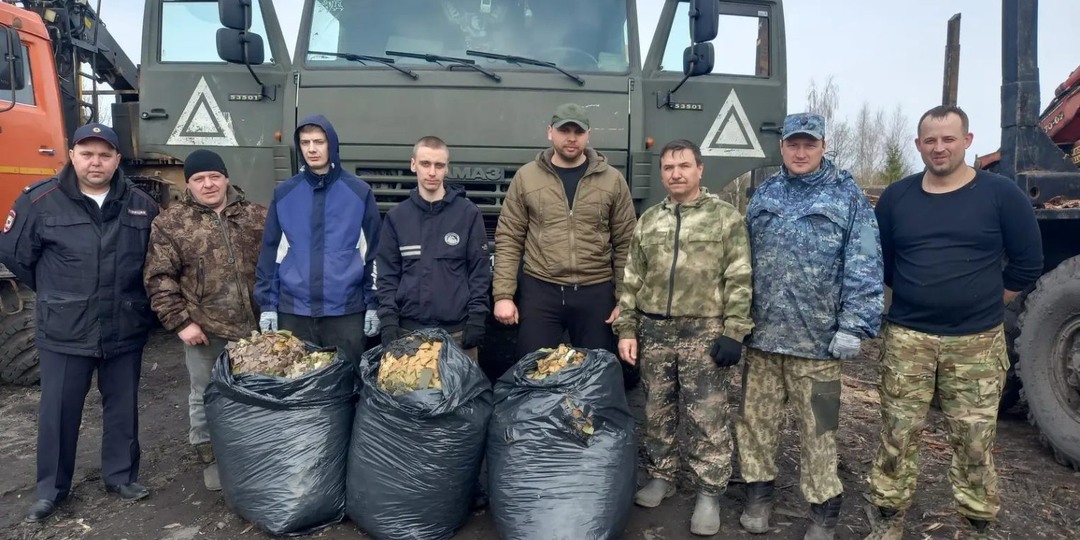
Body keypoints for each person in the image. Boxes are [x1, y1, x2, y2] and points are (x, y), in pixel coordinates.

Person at [865, 105, 1043, 540]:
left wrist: (982, 301)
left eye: (948, 139)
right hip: (908, 339)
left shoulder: (1001, 195)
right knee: (897, 437)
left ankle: (976, 526)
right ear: (918, 145)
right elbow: (884, 262)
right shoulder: (897, 198)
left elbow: (1027, 262)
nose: (939, 148)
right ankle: (887, 524)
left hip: (976, 344)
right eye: (930, 140)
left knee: (975, 443)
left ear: (967, 140)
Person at [0, 123, 160, 522]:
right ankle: (51, 489)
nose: (96, 162)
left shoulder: (141, 204)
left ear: (117, 160)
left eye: (105, 155)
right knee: (58, 410)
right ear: (72, 155)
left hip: (124, 324)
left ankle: (121, 476)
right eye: (87, 153)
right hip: (65, 328)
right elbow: (17, 255)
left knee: (123, 406)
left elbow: (153, 263)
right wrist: (59, 294)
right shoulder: (40, 202)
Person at [737, 112, 884, 540]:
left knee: (820, 430)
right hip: (763, 340)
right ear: (781, 146)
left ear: (823, 146)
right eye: (792, 144)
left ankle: (823, 511)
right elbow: (743, 261)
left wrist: (853, 326)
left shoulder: (848, 196)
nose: (800, 152)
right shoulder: (764, 193)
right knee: (755, 423)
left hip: (820, 346)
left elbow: (866, 263)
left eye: (809, 144)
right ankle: (758, 496)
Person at [612, 139, 752, 537]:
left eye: (684, 165)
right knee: (657, 410)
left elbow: (740, 277)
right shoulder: (650, 220)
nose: (676, 173)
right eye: (669, 167)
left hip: (704, 331)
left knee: (707, 415)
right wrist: (628, 328)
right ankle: (662, 475)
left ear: (700, 169)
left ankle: (709, 492)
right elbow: (631, 280)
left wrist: (734, 332)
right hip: (655, 330)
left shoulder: (726, 218)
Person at [143, 149, 267, 491]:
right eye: (199, 179)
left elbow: (276, 267)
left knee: (256, 394)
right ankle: (211, 460)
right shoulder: (171, 223)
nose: (208, 184)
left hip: (254, 331)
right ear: (189, 184)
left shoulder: (256, 216)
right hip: (205, 330)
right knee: (205, 395)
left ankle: (252, 455)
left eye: (214, 176)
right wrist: (182, 323)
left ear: (226, 178)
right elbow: (159, 278)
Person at [492, 103, 636, 371]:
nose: (571, 137)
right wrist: (503, 295)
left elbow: (627, 244)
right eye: (564, 130)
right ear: (550, 132)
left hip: (596, 291)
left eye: (578, 131)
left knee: (597, 376)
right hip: (541, 290)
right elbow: (509, 238)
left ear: (588, 135)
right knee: (533, 373)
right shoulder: (526, 178)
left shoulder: (612, 180)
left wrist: (623, 302)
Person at [255, 115, 382, 363]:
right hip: (295, 312)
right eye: (305, 142)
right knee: (298, 388)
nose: (312, 149)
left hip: (345, 312)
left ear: (331, 144)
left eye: (319, 141)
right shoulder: (284, 194)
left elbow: (374, 254)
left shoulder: (358, 193)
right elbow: (270, 254)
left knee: (347, 387)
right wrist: (268, 305)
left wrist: (374, 304)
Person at [376, 136, 491, 358]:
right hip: (408, 334)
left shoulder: (468, 214)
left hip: (457, 334)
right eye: (425, 164)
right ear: (413, 165)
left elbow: (479, 272)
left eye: (439, 165)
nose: (432, 172)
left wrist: (477, 317)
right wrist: (388, 320)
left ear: (447, 169)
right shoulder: (397, 217)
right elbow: (387, 276)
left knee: (462, 394)